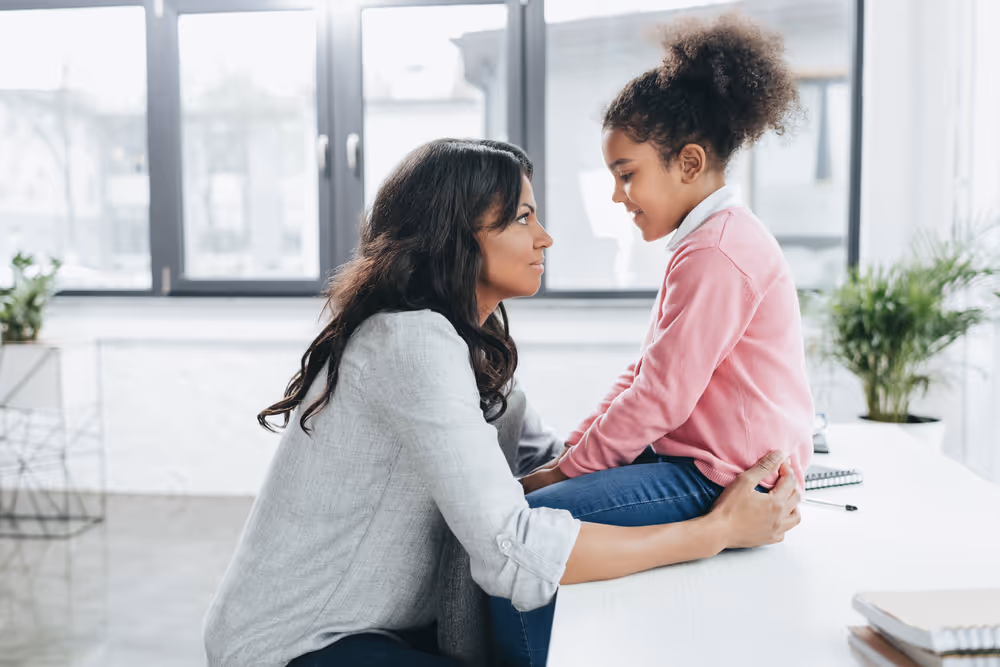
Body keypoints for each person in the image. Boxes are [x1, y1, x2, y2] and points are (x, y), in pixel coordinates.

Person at [202, 138, 801, 667]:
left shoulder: (467, 348)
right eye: (521, 218)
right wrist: (716, 529)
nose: (545, 237)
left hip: (390, 629)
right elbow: (510, 549)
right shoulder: (408, 343)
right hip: (302, 645)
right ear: (455, 237)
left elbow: (547, 463)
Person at [498, 14, 815, 666]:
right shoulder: (708, 241)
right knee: (539, 497)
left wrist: (564, 471)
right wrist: (575, 454)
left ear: (689, 162)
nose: (618, 195)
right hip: (696, 465)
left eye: (627, 173)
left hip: (716, 480)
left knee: (522, 535)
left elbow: (659, 396)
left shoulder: (719, 250)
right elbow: (645, 374)